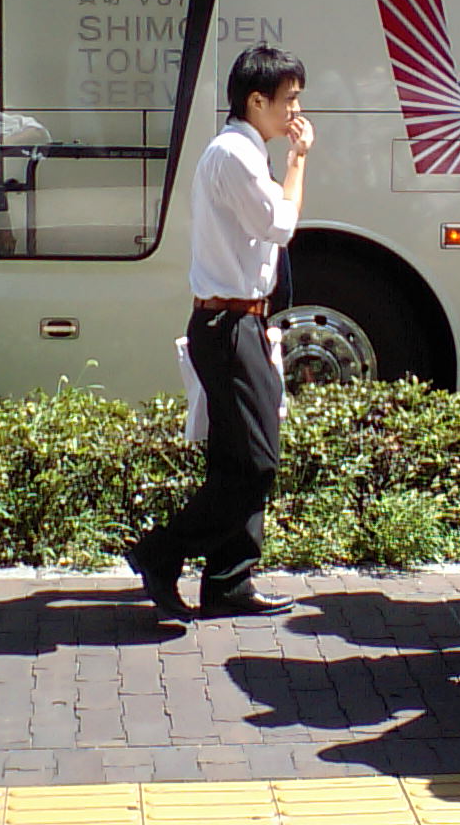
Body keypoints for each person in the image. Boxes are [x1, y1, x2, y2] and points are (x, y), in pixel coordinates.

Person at [127, 44, 314, 621]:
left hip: (241, 321)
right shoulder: (234, 154)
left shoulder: (242, 150)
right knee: (256, 463)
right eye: (288, 100)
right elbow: (279, 225)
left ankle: (231, 580)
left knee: (238, 460)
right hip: (228, 325)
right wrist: (299, 161)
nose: (296, 111)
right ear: (256, 101)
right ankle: (161, 552)